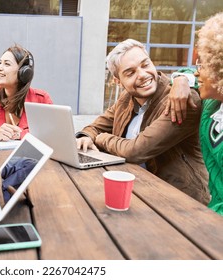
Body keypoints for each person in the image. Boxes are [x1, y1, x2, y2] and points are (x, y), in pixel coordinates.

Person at [76, 38, 210, 205]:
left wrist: (100, 138)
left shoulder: (182, 100)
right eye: (130, 73)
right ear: (118, 81)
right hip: (135, 191)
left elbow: (137, 151)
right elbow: (98, 125)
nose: (142, 75)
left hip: (179, 201)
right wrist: (85, 135)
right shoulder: (127, 98)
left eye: (145, 65)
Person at [191, 12, 223, 215]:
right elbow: (186, 76)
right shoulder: (213, 104)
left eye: (202, 65)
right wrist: (179, 82)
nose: (196, 72)